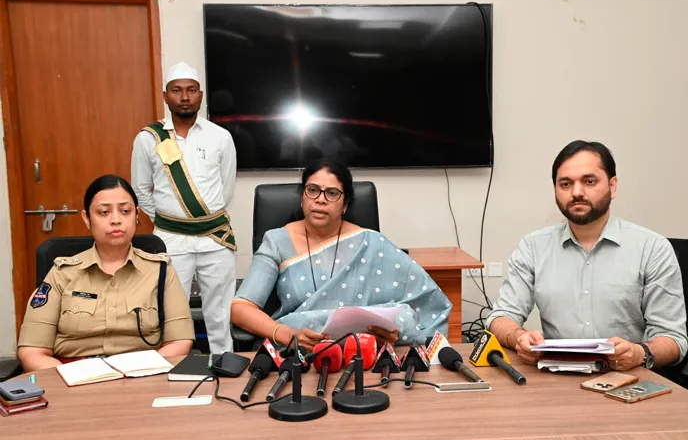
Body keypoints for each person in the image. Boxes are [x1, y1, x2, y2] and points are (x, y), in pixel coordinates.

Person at [486, 140, 688, 371]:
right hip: (555, 378)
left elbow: (673, 339)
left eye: (589, 181)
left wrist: (639, 353)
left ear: (612, 186)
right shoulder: (533, 247)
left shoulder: (652, 248)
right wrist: (519, 337)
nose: (576, 192)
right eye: (565, 184)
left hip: (626, 378)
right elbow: (500, 317)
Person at [231, 158, 452, 351]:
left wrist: (392, 332)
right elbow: (240, 308)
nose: (320, 199)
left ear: (345, 204)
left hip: (363, 354)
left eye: (332, 193)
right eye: (312, 190)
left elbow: (427, 302)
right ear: (302, 198)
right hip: (297, 352)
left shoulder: (372, 243)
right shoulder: (277, 241)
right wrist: (286, 334)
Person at [17, 175, 195, 371]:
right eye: (104, 212)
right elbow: (32, 352)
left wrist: (138, 373)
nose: (116, 220)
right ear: (87, 218)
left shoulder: (160, 271)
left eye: (125, 211)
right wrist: (72, 377)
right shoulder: (62, 274)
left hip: (143, 374)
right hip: (73, 376)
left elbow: (180, 342)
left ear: (136, 215)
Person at [131, 61, 237, 354]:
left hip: (215, 239)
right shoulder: (147, 138)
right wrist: (171, 220)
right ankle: (173, 368)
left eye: (191, 90)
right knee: (169, 312)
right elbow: (140, 190)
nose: (185, 97)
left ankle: (224, 365)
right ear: (166, 96)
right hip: (171, 240)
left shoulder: (220, 136)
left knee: (221, 313)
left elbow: (226, 188)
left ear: (200, 95)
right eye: (177, 91)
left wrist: (202, 219)